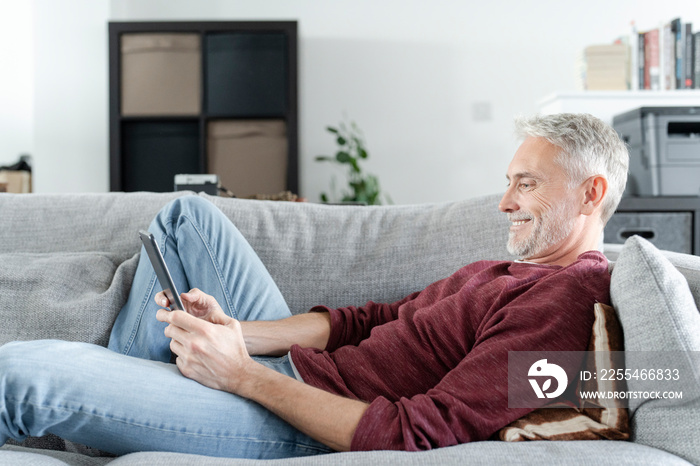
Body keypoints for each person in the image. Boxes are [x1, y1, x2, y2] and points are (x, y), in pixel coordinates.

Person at [0, 113, 629, 459]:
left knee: (22, 374)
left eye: (526, 183)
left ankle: (118, 405)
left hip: (299, 424)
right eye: (509, 181)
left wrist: (241, 375)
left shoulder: (565, 303)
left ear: (591, 192)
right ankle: (126, 409)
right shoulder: (507, 272)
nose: (503, 202)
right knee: (188, 218)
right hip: (298, 375)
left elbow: (415, 433)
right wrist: (239, 335)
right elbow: (367, 319)